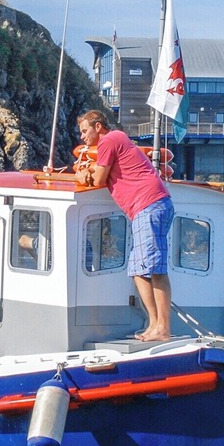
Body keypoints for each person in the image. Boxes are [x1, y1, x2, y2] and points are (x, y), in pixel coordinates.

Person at [74, 109, 175, 342]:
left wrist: (83, 175)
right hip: (148, 207)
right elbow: (101, 171)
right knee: (138, 270)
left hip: (148, 205)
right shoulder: (114, 141)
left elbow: (99, 179)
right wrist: (87, 171)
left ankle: (163, 327)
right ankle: (155, 324)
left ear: (98, 127)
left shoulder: (110, 140)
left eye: (84, 130)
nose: (82, 136)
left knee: (155, 270)